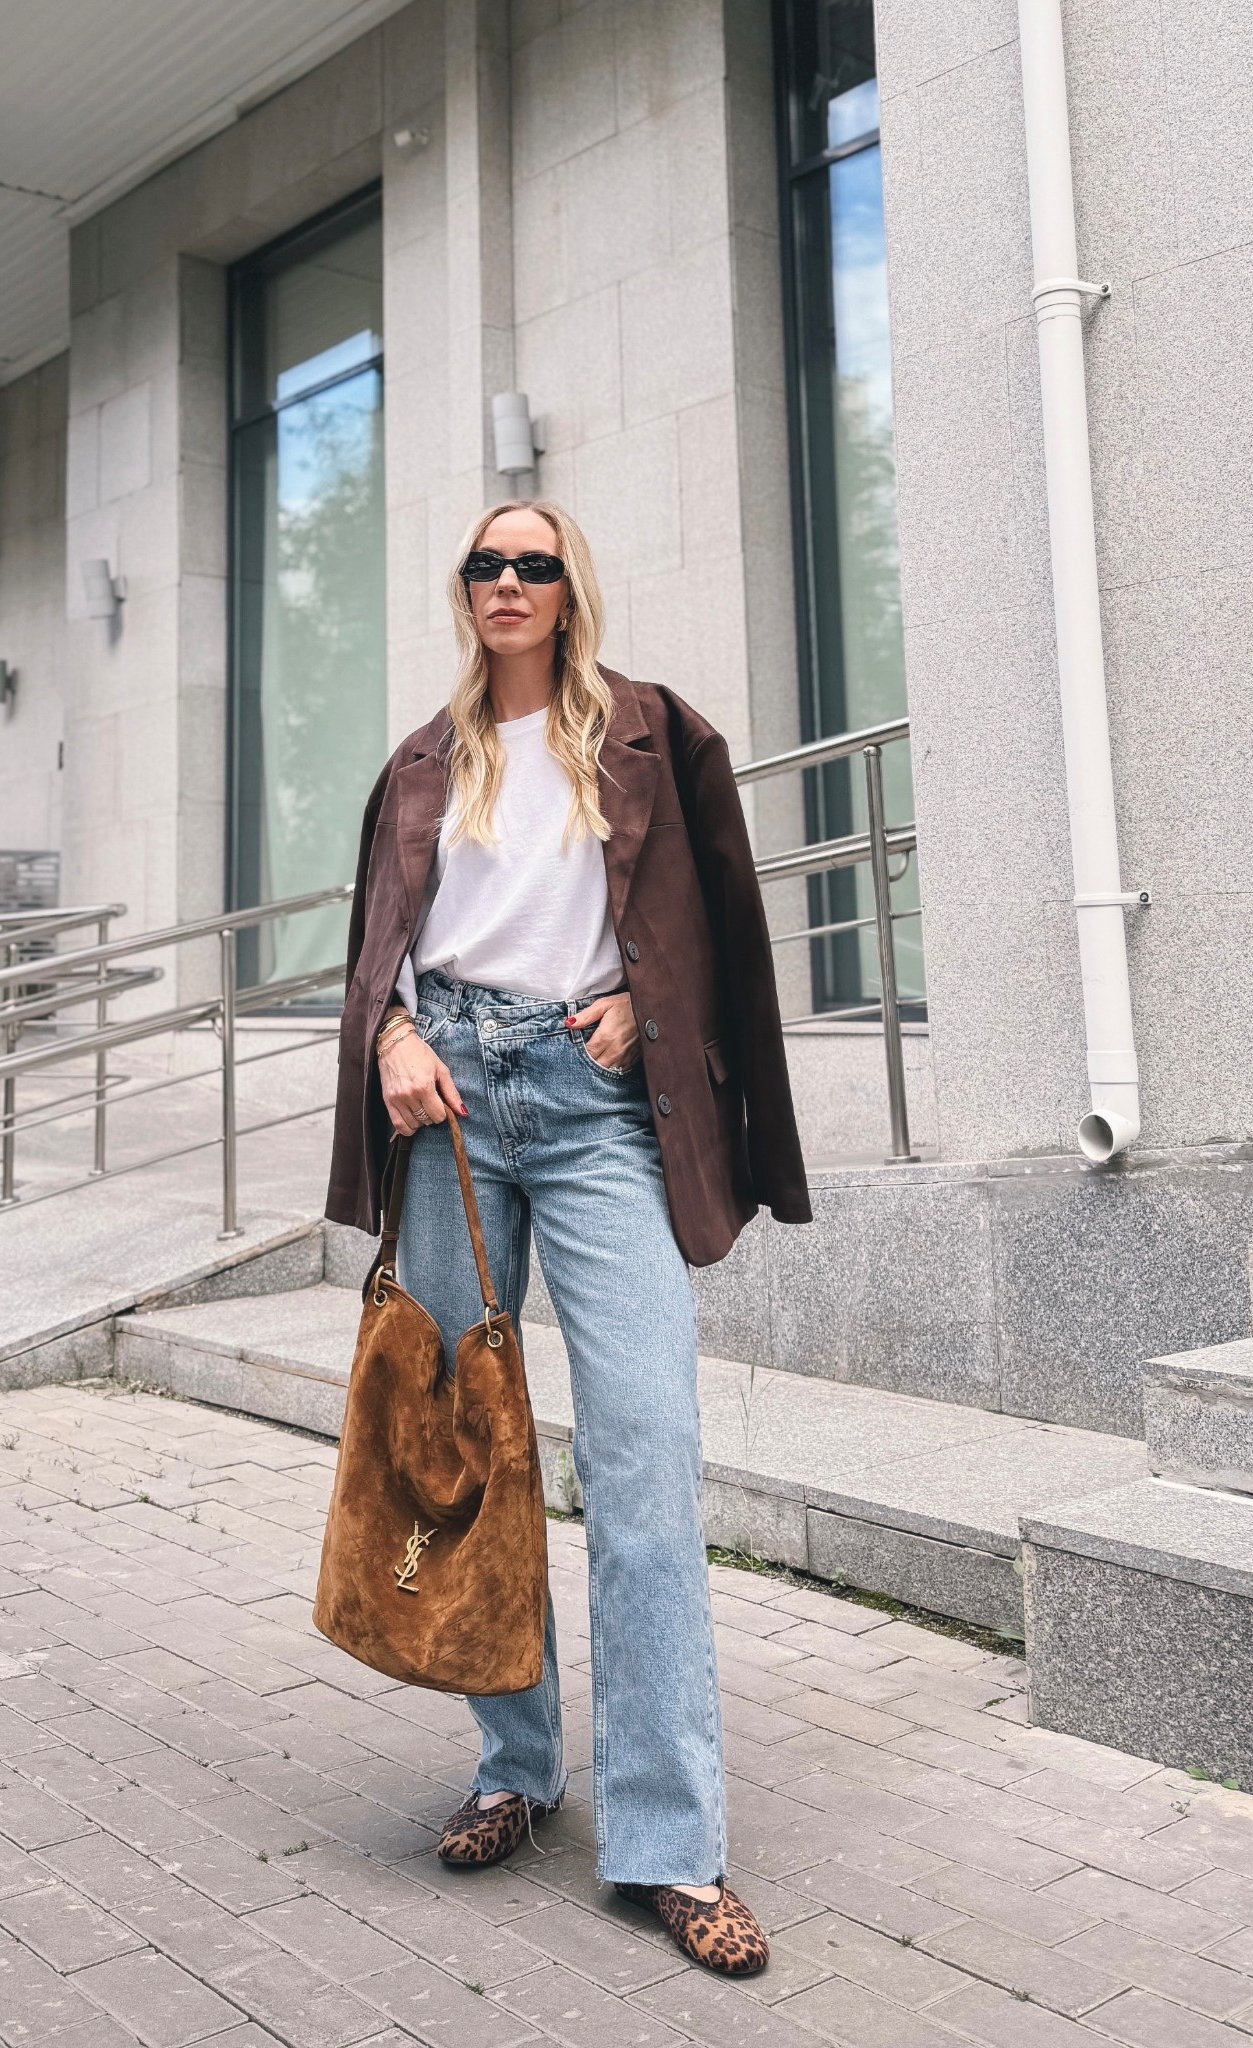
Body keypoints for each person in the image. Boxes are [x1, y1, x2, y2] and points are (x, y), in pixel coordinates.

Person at [325, 498, 810, 1975]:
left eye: (534, 562)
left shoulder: (656, 733)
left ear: (569, 586)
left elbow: (720, 920)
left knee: (646, 1458)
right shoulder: (423, 759)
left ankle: (669, 1845)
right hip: (455, 1105)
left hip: (596, 1107)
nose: (510, 582)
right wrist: (397, 1034)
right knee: (469, 1450)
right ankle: (515, 1768)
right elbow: (375, 946)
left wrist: (648, 1013)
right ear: (463, 592)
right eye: (486, 564)